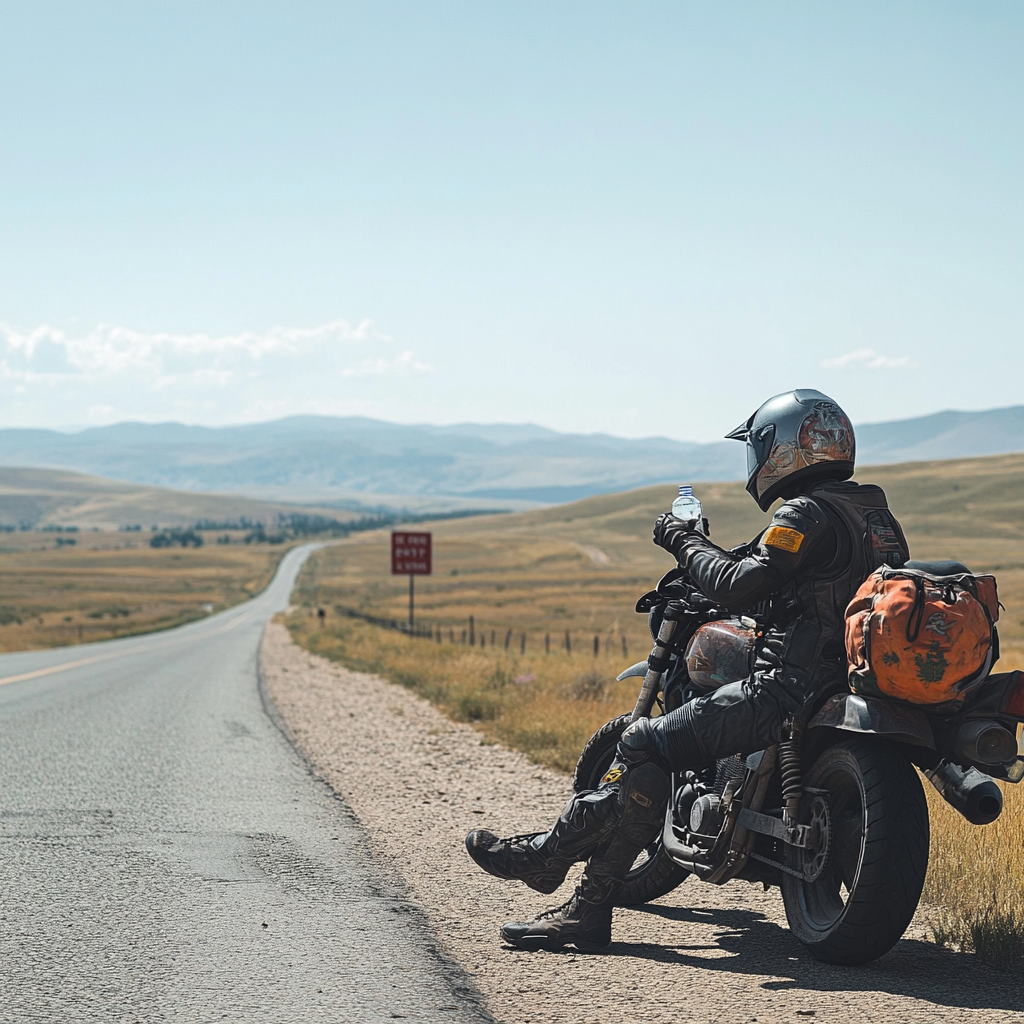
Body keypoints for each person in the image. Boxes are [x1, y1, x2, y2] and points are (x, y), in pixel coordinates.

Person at [464, 389, 910, 952]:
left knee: (645, 743)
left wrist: (682, 540)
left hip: (783, 689)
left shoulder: (804, 512)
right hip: (839, 682)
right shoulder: (873, 515)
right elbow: (780, 575)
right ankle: (558, 865)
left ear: (784, 450)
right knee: (661, 741)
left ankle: (562, 876)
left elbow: (740, 583)